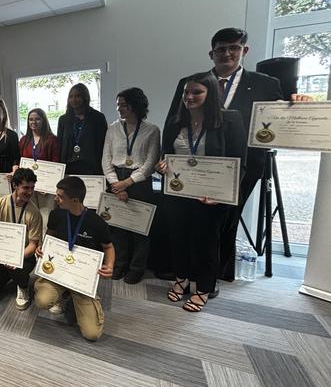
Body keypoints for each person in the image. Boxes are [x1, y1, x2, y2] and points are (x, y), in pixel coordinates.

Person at [163, 27, 307, 282]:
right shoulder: (190, 83)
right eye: (221, 49)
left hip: (243, 165)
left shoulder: (266, 83)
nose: (227, 53)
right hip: (193, 167)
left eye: (234, 48)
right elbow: (173, 121)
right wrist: (166, 157)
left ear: (244, 50)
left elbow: (281, 115)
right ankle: (191, 274)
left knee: (226, 221)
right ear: (212, 53)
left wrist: (296, 102)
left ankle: (215, 275)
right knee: (192, 222)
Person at [157, 72, 247, 312]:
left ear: (211, 94)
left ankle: (203, 288)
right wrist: (162, 166)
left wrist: (221, 194)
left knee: (206, 242)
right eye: (187, 92)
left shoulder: (230, 120)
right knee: (178, 239)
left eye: (197, 92)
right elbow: (165, 156)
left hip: (211, 197)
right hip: (178, 193)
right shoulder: (176, 122)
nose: (189, 96)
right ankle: (182, 279)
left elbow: (240, 163)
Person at [34, 176, 115, 341]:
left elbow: (108, 247)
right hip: (59, 270)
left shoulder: (96, 222)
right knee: (42, 301)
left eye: (60, 196)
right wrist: (43, 248)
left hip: (81, 276)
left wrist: (110, 265)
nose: (55, 199)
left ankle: (76, 297)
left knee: (92, 334)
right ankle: (63, 294)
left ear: (75, 200)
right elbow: (50, 236)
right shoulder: (57, 214)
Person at [101, 88, 160, 284]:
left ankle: (136, 268)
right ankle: (120, 265)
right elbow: (106, 160)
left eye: (123, 105)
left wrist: (127, 183)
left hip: (140, 182)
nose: (119, 109)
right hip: (116, 179)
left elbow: (151, 163)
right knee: (117, 227)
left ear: (136, 105)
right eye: (118, 105)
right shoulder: (113, 128)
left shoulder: (152, 130)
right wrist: (115, 184)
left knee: (139, 229)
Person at [0, 168, 43, 309]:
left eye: (32, 188)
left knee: (18, 270)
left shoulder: (35, 213)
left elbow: (33, 245)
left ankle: (23, 286)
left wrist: (15, 258)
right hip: (1, 255)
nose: (30, 192)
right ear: (15, 185)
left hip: (23, 257)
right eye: (26, 187)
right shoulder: (0, 203)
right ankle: (9, 275)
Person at [57, 83, 108, 176]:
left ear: (85, 97)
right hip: (69, 167)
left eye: (78, 96)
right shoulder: (64, 119)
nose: (74, 99)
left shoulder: (98, 117)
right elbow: (60, 144)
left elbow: (103, 143)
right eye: (71, 96)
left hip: (92, 167)